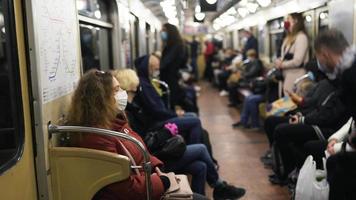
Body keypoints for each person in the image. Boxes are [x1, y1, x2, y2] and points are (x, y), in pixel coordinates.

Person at [115, 69, 246, 199]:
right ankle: (219, 186)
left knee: (201, 166)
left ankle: (208, 191)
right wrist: (166, 132)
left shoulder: (136, 104)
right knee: (201, 149)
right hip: (157, 158)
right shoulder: (128, 113)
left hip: (155, 150)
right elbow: (145, 142)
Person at [313, 29, 356, 200]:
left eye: (318, 57)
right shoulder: (350, 67)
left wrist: (345, 145)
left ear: (325, 54)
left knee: (339, 171)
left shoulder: (350, 76)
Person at [134, 54, 203, 144]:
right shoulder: (144, 86)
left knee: (192, 115)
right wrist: (174, 114)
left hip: (163, 117)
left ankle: (193, 145)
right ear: (148, 68)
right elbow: (157, 110)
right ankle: (196, 150)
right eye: (155, 68)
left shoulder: (147, 82)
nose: (157, 71)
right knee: (195, 121)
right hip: (159, 122)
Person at [275, 12, 309, 94]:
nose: (286, 22)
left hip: (296, 76)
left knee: (292, 103)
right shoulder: (288, 38)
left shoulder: (301, 37)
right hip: (286, 76)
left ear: (295, 21)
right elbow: (284, 55)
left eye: (288, 19)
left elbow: (298, 61)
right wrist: (278, 60)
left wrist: (282, 64)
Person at [160, 23, 187, 109]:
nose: (162, 32)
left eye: (164, 30)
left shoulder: (176, 46)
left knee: (171, 102)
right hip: (170, 77)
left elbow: (166, 61)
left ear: (170, 32)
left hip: (171, 78)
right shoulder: (171, 45)